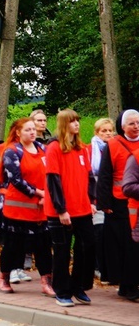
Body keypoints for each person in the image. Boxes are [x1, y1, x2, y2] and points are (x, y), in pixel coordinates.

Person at [0, 118, 54, 296]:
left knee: (43, 246)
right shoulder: (12, 151)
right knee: (14, 246)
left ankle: (46, 281)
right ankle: (4, 277)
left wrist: (48, 194)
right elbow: (16, 180)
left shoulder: (43, 149)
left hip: (41, 209)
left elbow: (51, 174)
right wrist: (39, 193)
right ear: (18, 132)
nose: (32, 132)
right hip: (17, 210)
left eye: (33, 129)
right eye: (28, 130)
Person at [45, 109, 96, 307]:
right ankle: (62, 290)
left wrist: (92, 201)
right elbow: (53, 180)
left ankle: (78, 286)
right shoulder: (54, 148)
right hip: (61, 210)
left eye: (78, 120)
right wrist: (61, 210)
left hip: (82, 208)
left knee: (87, 246)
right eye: (73, 121)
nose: (77, 124)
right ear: (64, 124)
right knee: (62, 251)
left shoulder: (82, 149)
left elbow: (90, 178)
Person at [98, 109, 139, 301]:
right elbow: (105, 175)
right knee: (126, 247)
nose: (136, 126)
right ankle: (127, 285)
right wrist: (104, 203)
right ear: (122, 127)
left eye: (138, 122)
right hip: (120, 203)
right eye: (131, 123)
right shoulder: (112, 144)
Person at [89, 117, 115, 280]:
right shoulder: (91, 149)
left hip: (113, 194)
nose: (107, 133)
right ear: (97, 133)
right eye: (103, 131)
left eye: (110, 130)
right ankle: (97, 266)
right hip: (96, 193)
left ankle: (109, 268)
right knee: (98, 231)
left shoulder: (116, 147)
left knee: (110, 232)